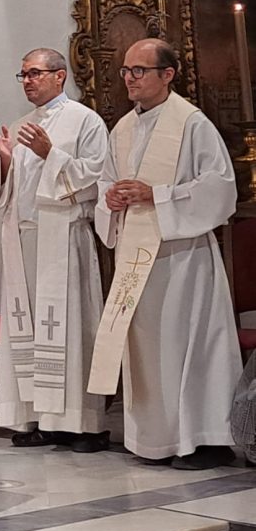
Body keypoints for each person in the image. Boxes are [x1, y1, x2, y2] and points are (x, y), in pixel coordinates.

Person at [91, 38, 240, 469]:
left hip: (183, 256)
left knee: (189, 344)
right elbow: (106, 184)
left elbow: (220, 188)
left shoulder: (192, 124)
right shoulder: (122, 129)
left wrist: (157, 195)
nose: (130, 80)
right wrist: (112, 201)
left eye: (139, 70)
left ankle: (203, 439)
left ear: (167, 74)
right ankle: (156, 439)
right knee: (146, 348)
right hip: (137, 261)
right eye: (125, 71)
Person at [0, 48, 109, 452]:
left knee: (70, 327)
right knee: (32, 330)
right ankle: (38, 417)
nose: (27, 81)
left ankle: (83, 424)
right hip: (25, 241)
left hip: (64, 238)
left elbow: (95, 179)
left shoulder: (85, 121)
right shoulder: (22, 125)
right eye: (22, 75)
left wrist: (48, 153)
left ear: (60, 76)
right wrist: (5, 161)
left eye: (35, 73)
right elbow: (6, 191)